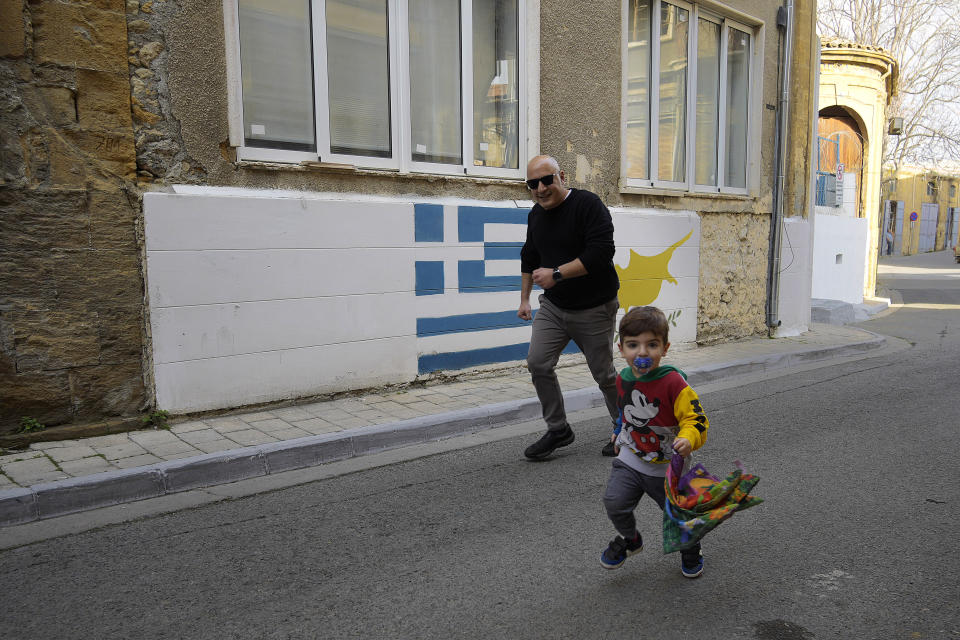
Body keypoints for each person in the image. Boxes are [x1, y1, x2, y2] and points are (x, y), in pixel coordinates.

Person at [518, 155, 620, 460]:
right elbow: (529, 256)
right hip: (554, 306)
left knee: (604, 375)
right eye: (532, 183)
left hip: (594, 306)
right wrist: (524, 298)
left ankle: (626, 429)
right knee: (538, 363)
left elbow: (601, 253)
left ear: (561, 176)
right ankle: (558, 428)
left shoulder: (587, 205)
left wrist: (557, 274)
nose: (540, 188)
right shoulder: (536, 215)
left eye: (546, 180)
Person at [599, 306, 709, 578]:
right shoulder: (623, 378)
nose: (642, 352)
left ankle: (691, 548)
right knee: (614, 502)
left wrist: (687, 438)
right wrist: (618, 430)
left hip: (668, 468)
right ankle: (630, 540)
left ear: (665, 348)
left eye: (652, 345)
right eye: (633, 345)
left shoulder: (674, 382)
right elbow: (625, 410)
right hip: (632, 458)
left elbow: (696, 419)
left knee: (679, 516)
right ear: (621, 349)